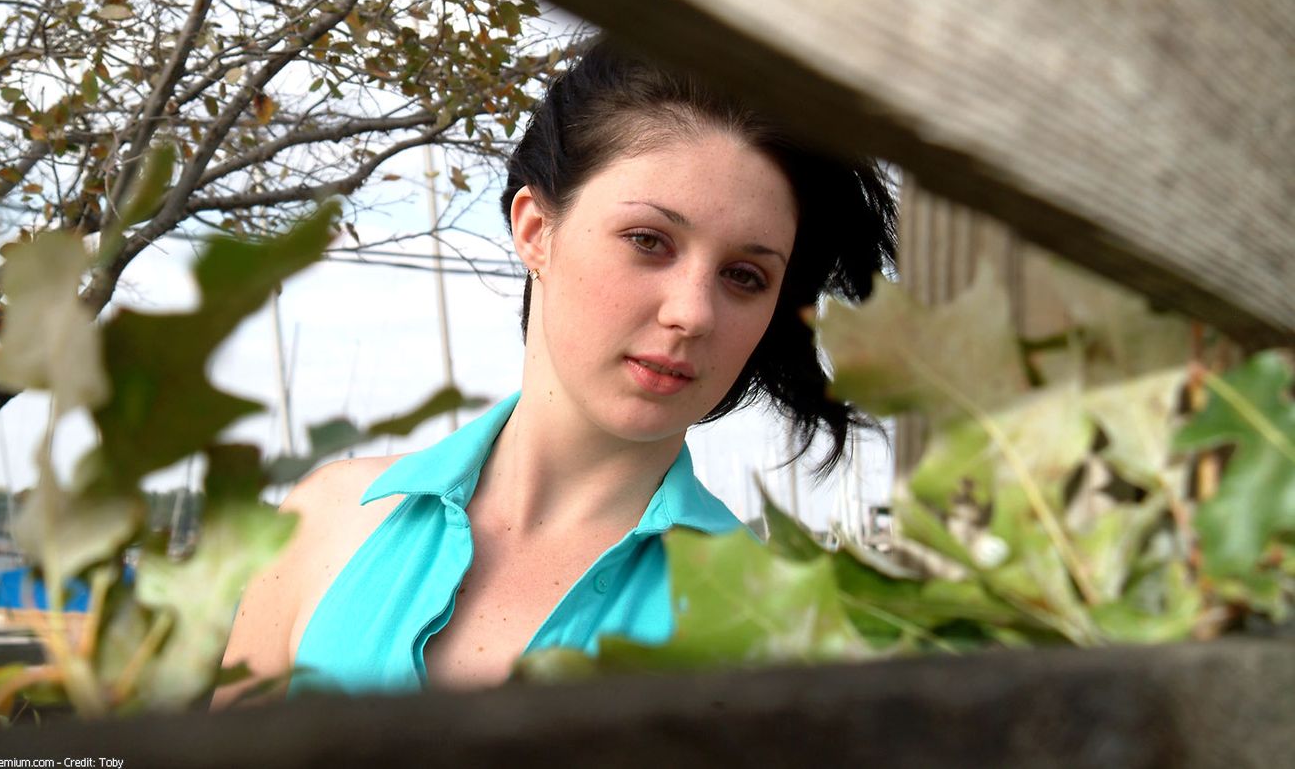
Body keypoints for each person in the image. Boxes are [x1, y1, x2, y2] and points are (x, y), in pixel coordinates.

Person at [212, 38, 896, 704]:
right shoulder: (327, 522)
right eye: (649, 241)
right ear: (536, 230)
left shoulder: (777, 634)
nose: (693, 313)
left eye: (745, 276)